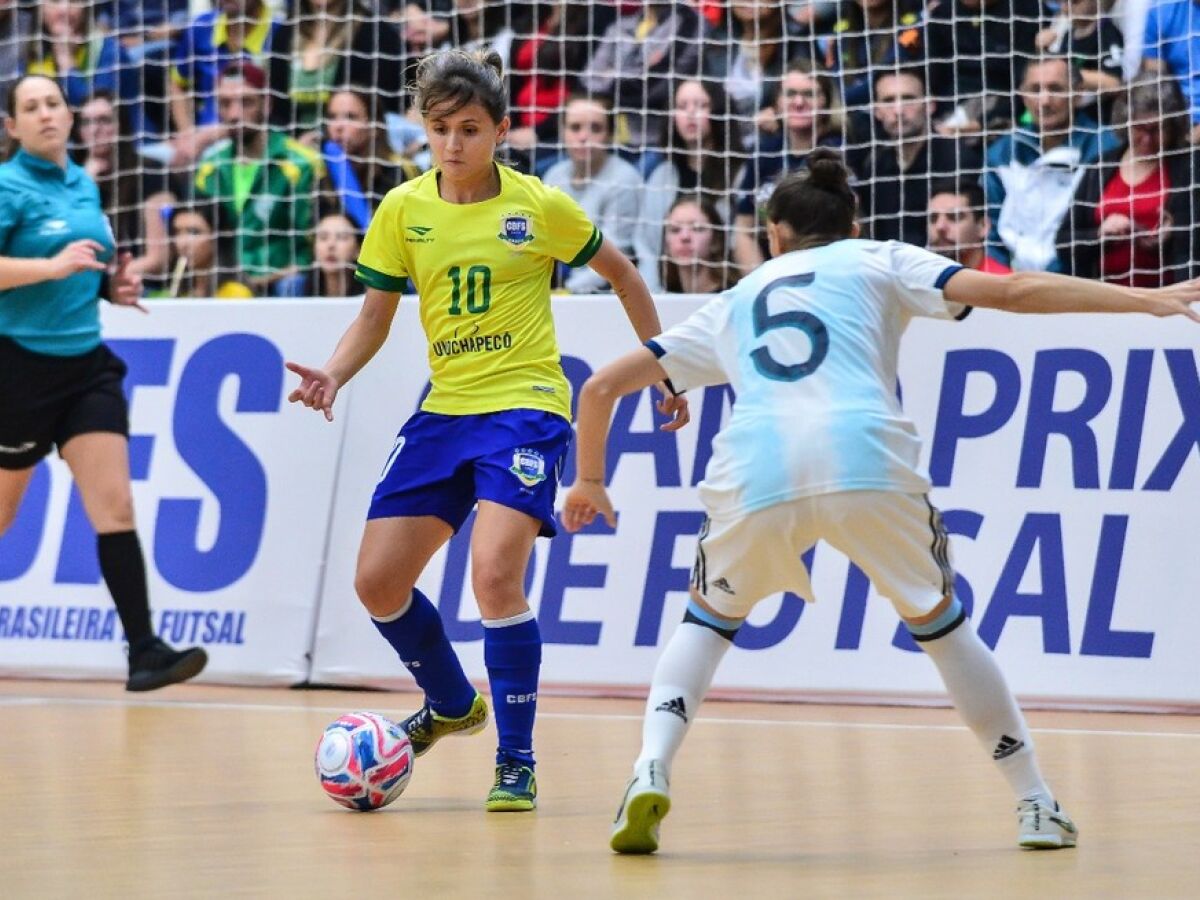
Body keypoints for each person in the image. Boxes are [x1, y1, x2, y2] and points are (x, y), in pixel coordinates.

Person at [562, 147, 1200, 855]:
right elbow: (1015, 292)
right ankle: (1035, 802)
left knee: (707, 624)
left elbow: (596, 389)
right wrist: (1149, 299)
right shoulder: (881, 258)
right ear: (852, 219)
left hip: (757, 465)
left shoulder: (739, 297)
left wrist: (589, 480)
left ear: (773, 233)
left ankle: (651, 764)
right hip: (865, 455)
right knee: (944, 629)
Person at [286, 48, 689, 812]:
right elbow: (375, 315)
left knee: (495, 576)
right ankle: (449, 702)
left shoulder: (538, 206)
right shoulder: (403, 210)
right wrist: (335, 374)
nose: (453, 143)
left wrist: (662, 369)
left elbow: (626, 276)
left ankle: (516, 760)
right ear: (424, 130)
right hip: (445, 410)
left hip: (526, 408)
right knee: (376, 582)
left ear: (501, 130)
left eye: (470, 128)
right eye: (440, 128)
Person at [0, 74, 207, 690]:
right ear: (11, 127)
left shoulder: (83, 183)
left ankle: (144, 652)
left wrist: (111, 288)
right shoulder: (9, 186)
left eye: (52, 103)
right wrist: (50, 266)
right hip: (18, 370)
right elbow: (41, 266)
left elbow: (87, 271)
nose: (45, 115)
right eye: (30, 107)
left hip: (86, 366)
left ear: (68, 114)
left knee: (115, 505)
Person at [193, 62, 323, 297]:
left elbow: (314, 247)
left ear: (267, 104)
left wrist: (267, 278)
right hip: (224, 285)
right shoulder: (210, 166)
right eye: (225, 104)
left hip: (282, 285)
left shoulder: (301, 164)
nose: (234, 115)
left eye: (246, 103)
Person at [1058, 77, 1200, 284]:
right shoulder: (1100, 167)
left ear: (1174, 126)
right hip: (1104, 298)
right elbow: (1063, 243)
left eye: (1157, 129)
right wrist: (1100, 235)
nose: (1147, 139)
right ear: (1126, 121)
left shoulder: (1192, 167)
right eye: (1139, 128)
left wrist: (1170, 240)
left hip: (1171, 298)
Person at [983, 57, 1119, 271]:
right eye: (1035, 89)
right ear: (1022, 94)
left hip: (1083, 282)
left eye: (1055, 89)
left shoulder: (1107, 146)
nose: (1044, 101)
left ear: (1078, 93)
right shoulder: (1002, 152)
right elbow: (989, 230)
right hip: (1013, 286)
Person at [854, 67, 981, 246]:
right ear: (876, 111)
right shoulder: (874, 165)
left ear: (930, 105)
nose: (898, 110)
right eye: (889, 100)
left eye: (908, 99)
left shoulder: (959, 159)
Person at [636, 78, 736, 292]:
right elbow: (646, 245)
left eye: (701, 105)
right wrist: (654, 294)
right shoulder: (661, 175)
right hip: (665, 291)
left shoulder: (739, 174)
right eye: (682, 106)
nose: (691, 113)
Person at [541, 96, 643, 295]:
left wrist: (568, 291)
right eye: (575, 127)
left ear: (610, 134)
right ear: (563, 132)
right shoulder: (554, 176)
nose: (584, 137)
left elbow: (615, 257)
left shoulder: (624, 179)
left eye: (595, 128)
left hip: (608, 292)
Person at [928, 178, 1011, 273]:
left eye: (954, 217)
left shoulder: (1002, 283)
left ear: (983, 226)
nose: (940, 226)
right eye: (933, 219)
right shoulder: (915, 281)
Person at [659, 195, 735, 294]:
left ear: (716, 240)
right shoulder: (664, 298)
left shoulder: (730, 297)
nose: (685, 237)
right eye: (675, 230)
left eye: (697, 229)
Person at [303, 212, 364, 297]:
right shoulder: (296, 290)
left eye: (342, 237)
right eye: (323, 237)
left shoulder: (370, 294)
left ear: (358, 250)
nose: (331, 245)